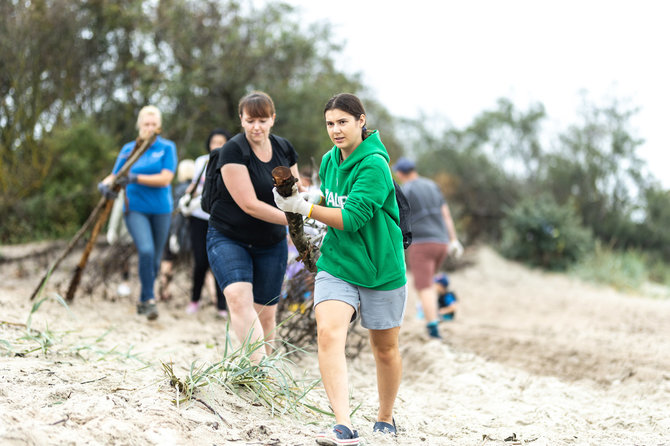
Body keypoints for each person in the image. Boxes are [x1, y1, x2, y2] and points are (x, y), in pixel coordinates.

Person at [274, 93, 406, 445]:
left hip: (381, 269)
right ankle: (343, 425)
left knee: (385, 349)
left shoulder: (375, 165)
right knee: (329, 334)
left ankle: (386, 417)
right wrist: (299, 199)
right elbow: (329, 202)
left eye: (343, 122)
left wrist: (303, 208)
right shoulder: (331, 160)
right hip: (338, 264)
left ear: (361, 121)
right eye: (330, 123)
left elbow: (351, 218)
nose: (335, 130)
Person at [205, 91, 302, 362]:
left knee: (266, 312)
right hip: (228, 236)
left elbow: (295, 194)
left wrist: (307, 213)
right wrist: (294, 220)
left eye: (262, 120)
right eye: (250, 121)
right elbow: (248, 204)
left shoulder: (284, 148)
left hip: (270, 242)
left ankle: (265, 368)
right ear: (241, 120)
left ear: (273, 119)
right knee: (237, 297)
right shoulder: (233, 150)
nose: (256, 127)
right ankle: (255, 369)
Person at [98, 105, 177, 320]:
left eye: (153, 124)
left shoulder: (167, 148)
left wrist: (135, 178)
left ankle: (144, 298)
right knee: (146, 250)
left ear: (158, 126)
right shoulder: (128, 150)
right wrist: (104, 185)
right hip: (135, 208)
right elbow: (114, 175)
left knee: (154, 260)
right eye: (146, 124)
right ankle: (151, 301)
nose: (149, 128)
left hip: (161, 209)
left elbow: (166, 178)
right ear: (139, 125)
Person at [392, 156, 463, 339]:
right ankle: (429, 313)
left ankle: (433, 329)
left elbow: (396, 215)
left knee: (424, 286)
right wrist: (453, 239)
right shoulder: (432, 185)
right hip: (441, 242)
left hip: (422, 243)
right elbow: (446, 214)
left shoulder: (405, 189)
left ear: (399, 173)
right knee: (429, 283)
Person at [179, 128, 232, 317]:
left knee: (220, 261)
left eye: (222, 142)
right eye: (214, 142)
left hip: (221, 218)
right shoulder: (202, 161)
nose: (217, 146)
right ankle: (194, 300)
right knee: (200, 261)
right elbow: (194, 185)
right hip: (199, 216)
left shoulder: (232, 162)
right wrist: (186, 195)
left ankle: (221, 306)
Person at [158, 159, 195, 302]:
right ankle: (211, 296)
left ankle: (164, 291)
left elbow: (176, 214)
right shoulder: (197, 189)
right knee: (199, 264)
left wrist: (173, 234)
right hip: (189, 232)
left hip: (178, 231)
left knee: (167, 260)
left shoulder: (179, 189)